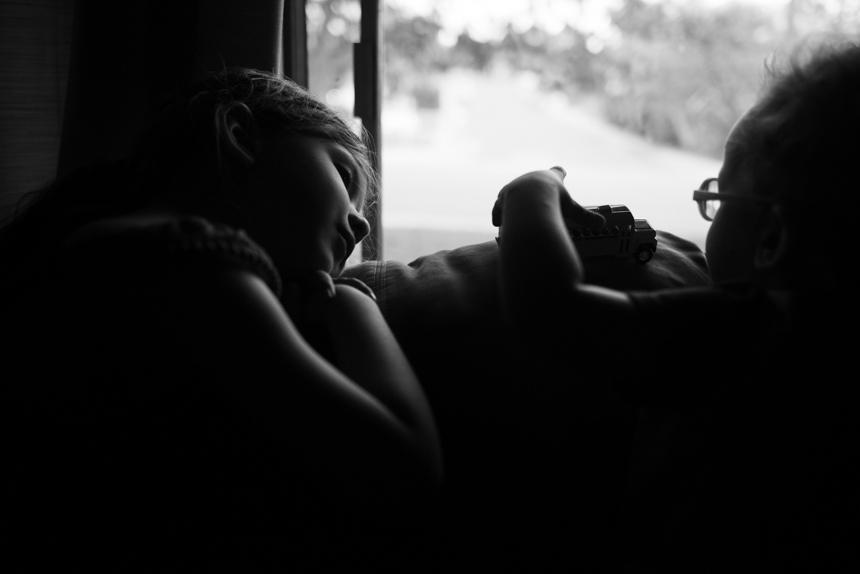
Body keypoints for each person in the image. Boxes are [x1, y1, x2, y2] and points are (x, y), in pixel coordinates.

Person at [0, 69, 442, 569]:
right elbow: (401, 477)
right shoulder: (193, 264)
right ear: (239, 136)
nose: (361, 226)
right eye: (344, 177)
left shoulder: (86, 252)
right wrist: (353, 304)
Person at [492, 40, 857, 571]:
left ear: (771, 240)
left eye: (718, 199)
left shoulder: (748, 331)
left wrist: (531, 189)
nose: (707, 215)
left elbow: (550, 312)